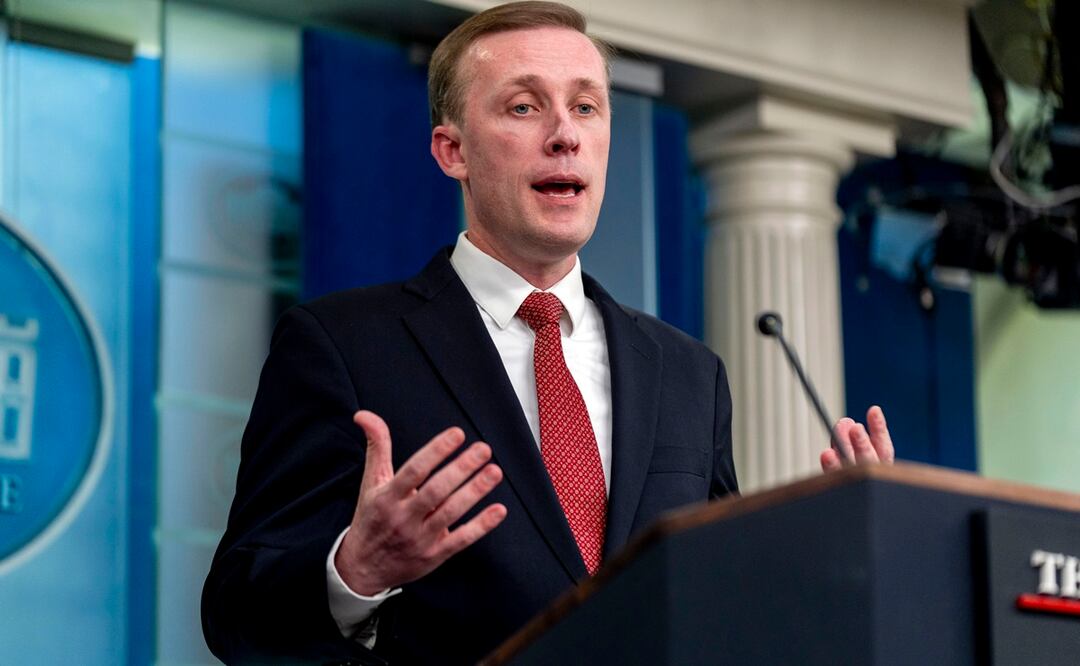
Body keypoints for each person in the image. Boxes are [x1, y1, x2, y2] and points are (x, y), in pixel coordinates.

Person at [201, 2, 894, 664]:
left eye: (586, 106)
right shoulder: (343, 345)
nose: (565, 133)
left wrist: (835, 548)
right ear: (452, 151)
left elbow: (720, 613)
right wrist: (355, 571)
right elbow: (235, 617)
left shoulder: (688, 374)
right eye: (524, 106)